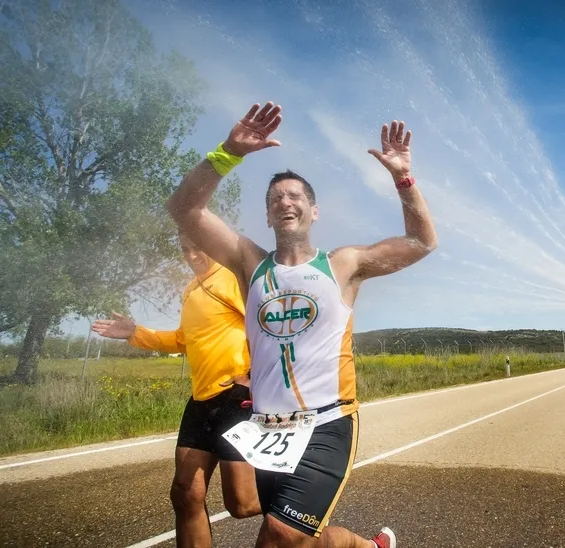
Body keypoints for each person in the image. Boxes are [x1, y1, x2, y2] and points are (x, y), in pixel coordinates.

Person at [166, 101, 437, 548]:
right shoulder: (248, 262)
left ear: (314, 211)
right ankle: (369, 547)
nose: (285, 201)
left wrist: (403, 178)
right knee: (302, 538)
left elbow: (421, 242)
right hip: (269, 429)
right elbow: (183, 209)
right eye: (275, 199)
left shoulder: (344, 264)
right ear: (268, 217)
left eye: (295, 196)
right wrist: (228, 153)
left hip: (326, 423)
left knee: (278, 534)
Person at [91, 230, 260, 548]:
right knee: (185, 493)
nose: (192, 256)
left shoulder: (232, 278)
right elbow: (183, 340)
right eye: (185, 249)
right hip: (201, 400)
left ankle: (300, 507)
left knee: (243, 504)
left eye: (198, 247)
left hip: (237, 398)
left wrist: (255, 376)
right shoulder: (191, 289)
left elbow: (268, 324)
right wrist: (135, 332)